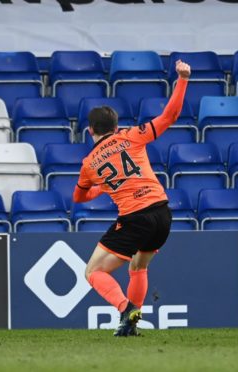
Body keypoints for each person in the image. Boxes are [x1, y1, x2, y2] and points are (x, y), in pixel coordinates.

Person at [74, 60, 191, 337]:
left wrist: (101, 188)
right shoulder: (133, 136)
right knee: (138, 266)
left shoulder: (89, 163)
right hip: (162, 214)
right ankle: (130, 326)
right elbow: (170, 116)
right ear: (116, 126)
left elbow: (79, 197)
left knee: (92, 272)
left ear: (90, 131)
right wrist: (183, 79)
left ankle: (125, 309)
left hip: (135, 216)